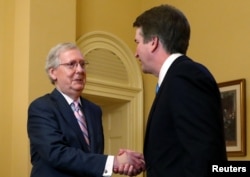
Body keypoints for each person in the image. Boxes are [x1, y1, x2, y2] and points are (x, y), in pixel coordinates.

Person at [132, 4, 227, 177]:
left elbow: (204, 156)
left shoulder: (185, 77)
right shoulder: (175, 79)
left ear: (153, 42)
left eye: (137, 42)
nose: (135, 53)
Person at [27, 42, 145, 177]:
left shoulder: (94, 110)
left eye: (82, 64)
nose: (80, 70)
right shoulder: (42, 108)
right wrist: (113, 162)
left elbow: (92, 157)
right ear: (53, 72)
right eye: (72, 64)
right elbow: (56, 153)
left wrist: (122, 164)